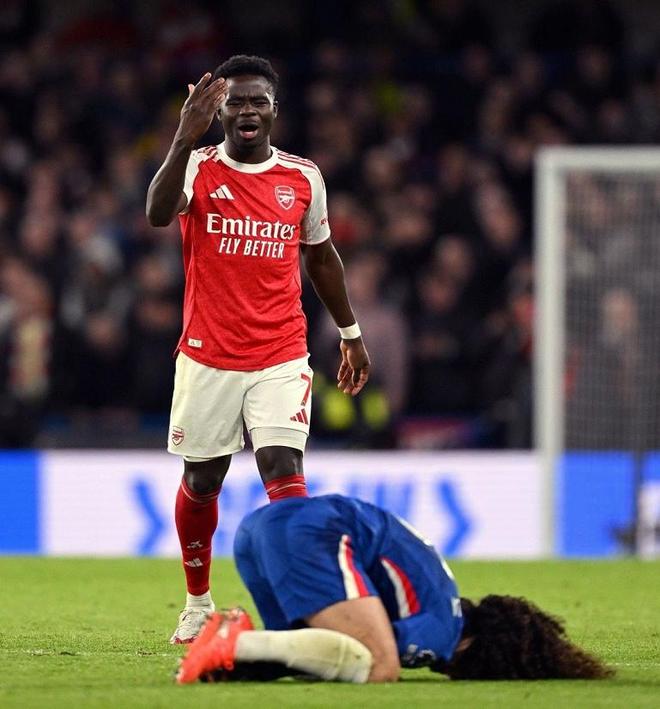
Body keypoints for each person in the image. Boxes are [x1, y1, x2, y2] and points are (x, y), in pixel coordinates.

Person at [145, 55, 370, 644]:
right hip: (207, 353)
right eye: (236, 102)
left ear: (275, 110)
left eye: (258, 101)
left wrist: (350, 333)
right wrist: (182, 136)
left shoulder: (303, 178)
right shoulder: (197, 166)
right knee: (203, 479)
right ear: (218, 112)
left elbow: (321, 257)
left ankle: (307, 604)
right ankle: (197, 603)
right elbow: (156, 214)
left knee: (283, 469)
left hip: (281, 352)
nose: (247, 110)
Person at [176, 494, 613, 684]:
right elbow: (368, 657)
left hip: (260, 528)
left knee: (317, 648)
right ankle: (236, 641)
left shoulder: (442, 594)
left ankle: (230, 653)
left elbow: (325, 653)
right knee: (379, 665)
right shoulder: (444, 632)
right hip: (312, 535)